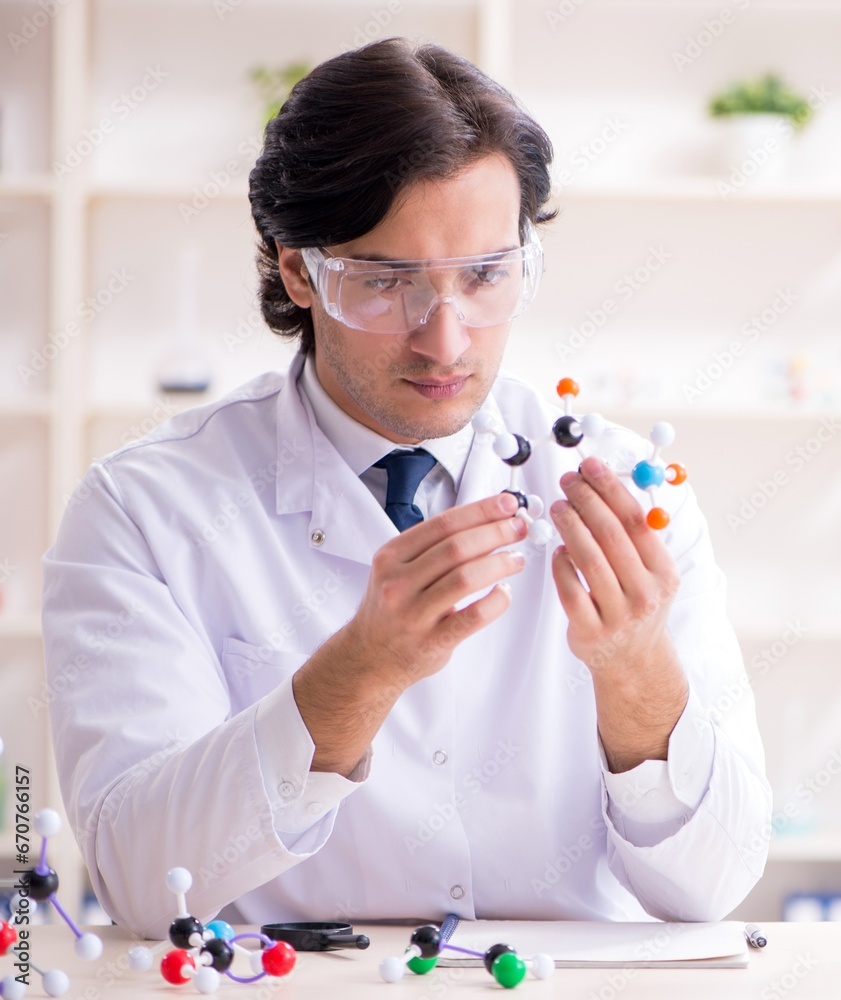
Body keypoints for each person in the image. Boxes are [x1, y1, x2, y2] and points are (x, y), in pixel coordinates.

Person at [42, 38, 770, 939]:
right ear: (297, 270)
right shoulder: (145, 509)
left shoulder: (623, 489)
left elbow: (717, 885)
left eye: (485, 276)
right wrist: (359, 672)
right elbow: (144, 883)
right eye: (388, 283)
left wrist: (635, 675)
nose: (446, 340)